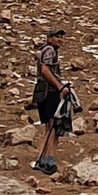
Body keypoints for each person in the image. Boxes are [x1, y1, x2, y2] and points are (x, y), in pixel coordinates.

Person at [32, 27, 76, 175]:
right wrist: (59, 87)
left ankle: (41, 158)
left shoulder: (45, 50)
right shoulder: (49, 51)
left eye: (61, 37)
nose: (59, 39)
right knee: (52, 126)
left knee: (48, 127)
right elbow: (45, 70)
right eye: (56, 36)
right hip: (49, 91)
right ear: (49, 38)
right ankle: (47, 160)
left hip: (42, 91)